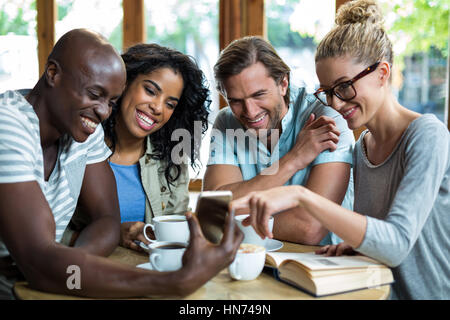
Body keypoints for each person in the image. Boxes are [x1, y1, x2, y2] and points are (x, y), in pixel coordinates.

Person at [230, 0, 449, 300]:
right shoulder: (362, 148)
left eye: (344, 87)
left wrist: (299, 195)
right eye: (328, 92)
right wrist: (358, 246)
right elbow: (385, 238)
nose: (334, 103)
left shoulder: (427, 135)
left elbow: (398, 243)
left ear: (382, 73)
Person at [0, 28, 243, 300]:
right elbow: (40, 262)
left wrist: (70, 265)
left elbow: (107, 221)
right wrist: (174, 282)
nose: (104, 111)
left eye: (110, 101)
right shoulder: (8, 124)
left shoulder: (81, 129)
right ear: (53, 73)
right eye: (95, 94)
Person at [203, 36, 355, 245]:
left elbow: (309, 227)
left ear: (283, 83)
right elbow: (213, 210)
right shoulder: (226, 121)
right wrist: (294, 160)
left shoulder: (328, 118)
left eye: (259, 95)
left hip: (319, 265)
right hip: (253, 259)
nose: (250, 111)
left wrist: (229, 219)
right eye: (236, 101)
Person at [64, 43, 210, 252]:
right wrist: (111, 236)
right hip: (80, 271)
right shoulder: (77, 145)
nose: (158, 108)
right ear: (124, 83)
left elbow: (174, 231)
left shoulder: (171, 159)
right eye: (150, 91)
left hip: (149, 274)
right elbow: (41, 232)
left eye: (170, 104)